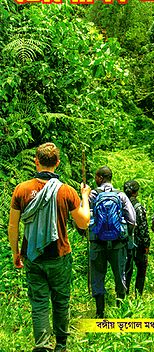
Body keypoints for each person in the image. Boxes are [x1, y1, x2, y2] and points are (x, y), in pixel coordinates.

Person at [8, 142, 91, 352]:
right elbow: (84, 222)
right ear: (58, 163)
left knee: (39, 302)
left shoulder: (21, 189)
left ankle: (42, 345)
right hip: (59, 255)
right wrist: (84, 197)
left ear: (36, 162)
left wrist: (15, 252)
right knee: (61, 300)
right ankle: (61, 344)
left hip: (32, 256)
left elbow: (13, 225)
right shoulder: (66, 191)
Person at [89, 166, 136, 318]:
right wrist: (125, 235)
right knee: (119, 274)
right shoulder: (121, 195)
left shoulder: (93, 195)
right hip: (118, 244)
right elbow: (132, 220)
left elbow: (84, 218)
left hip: (97, 243)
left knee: (97, 276)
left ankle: (99, 312)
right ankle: (120, 309)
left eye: (96, 176)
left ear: (100, 178)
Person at [123, 180, 150, 296]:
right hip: (138, 243)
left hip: (124, 242)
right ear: (136, 192)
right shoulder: (138, 207)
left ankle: (125, 293)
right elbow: (143, 228)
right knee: (142, 267)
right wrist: (146, 244)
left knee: (126, 269)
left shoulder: (121, 204)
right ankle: (138, 294)